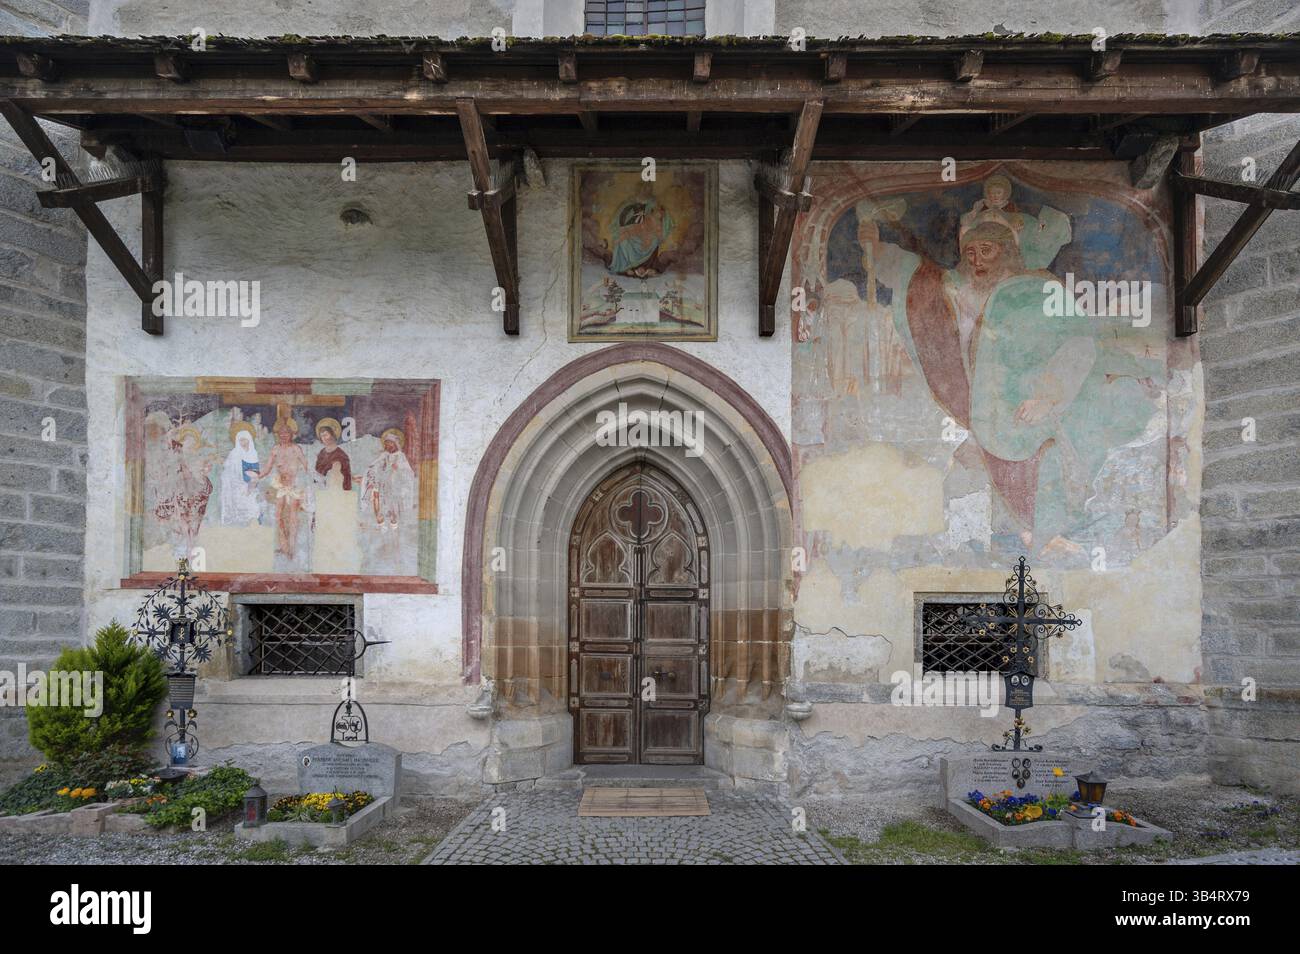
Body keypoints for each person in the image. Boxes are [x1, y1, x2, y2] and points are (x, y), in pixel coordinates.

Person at [219, 421, 262, 526]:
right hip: (236, 485)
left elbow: (256, 469)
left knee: (252, 506)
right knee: (239, 506)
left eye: (245, 439)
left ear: (249, 439)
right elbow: (228, 470)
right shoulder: (234, 453)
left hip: (250, 483)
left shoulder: (253, 453)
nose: (243, 442)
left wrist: (252, 481)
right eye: (240, 440)